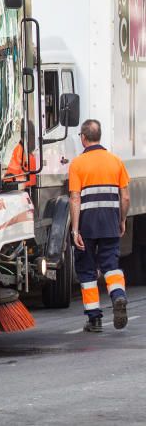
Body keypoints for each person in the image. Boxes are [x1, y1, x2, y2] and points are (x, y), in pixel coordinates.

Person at [69, 119, 131, 333]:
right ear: (100, 136)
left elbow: (75, 199)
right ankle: (119, 297)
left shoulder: (77, 164)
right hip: (110, 224)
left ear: (83, 138)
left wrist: (75, 230)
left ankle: (94, 319)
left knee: (86, 271)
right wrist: (122, 220)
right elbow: (125, 197)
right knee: (111, 266)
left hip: (87, 226)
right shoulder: (116, 161)